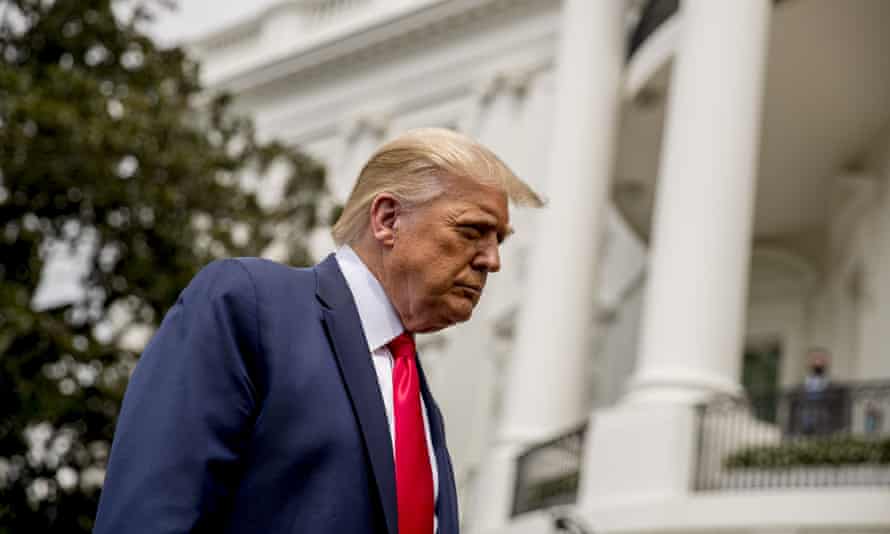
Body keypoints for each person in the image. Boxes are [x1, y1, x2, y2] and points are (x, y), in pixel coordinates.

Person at [93, 128, 543, 534]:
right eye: (472, 231)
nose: (492, 260)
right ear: (387, 219)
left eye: (498, 240)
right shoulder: (248, 305)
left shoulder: (424, 409)